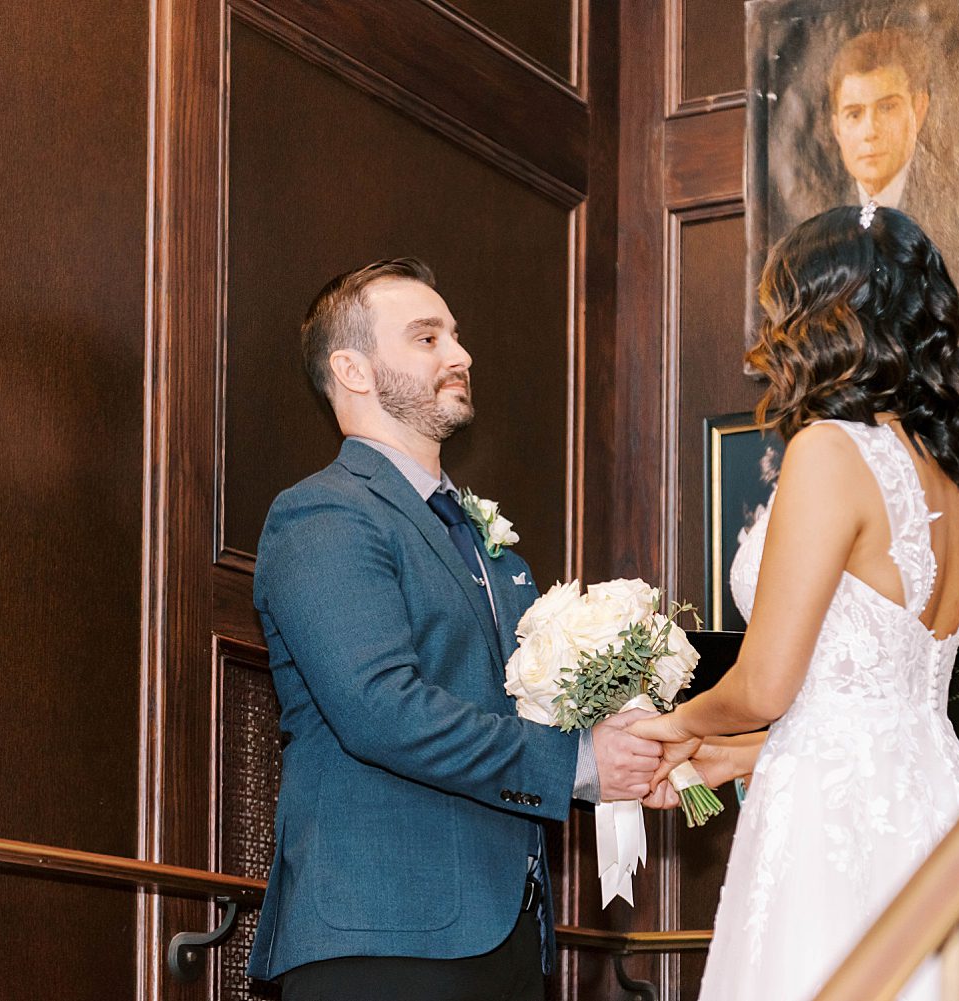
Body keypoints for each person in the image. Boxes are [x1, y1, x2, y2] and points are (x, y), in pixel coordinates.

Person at [632, 205, 959, 1000]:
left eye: (777, 308)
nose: (768, 333)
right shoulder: (955, 483)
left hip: (838, 826)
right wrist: (734, 755)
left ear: (820, 316)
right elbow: (881, 710)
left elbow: (767, 685)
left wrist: (675, 724)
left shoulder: (830, 450)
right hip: (941, 803)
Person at [245, 258, 662, 999]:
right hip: (384, 934)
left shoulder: (483, 540)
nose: (460, 354)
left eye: (456, 336)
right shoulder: (325, 513)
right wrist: (578, 765)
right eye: (427, 337)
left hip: (505, 933)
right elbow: (380, 709)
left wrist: (625, 743)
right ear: (354, 368)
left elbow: (514, 707)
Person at [827, 28, 931, 210]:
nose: (870, 131)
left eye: (886, 108)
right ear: (837, 130)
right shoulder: (819, 212)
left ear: (918, 111)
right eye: (854, 114)